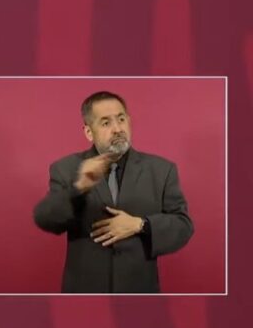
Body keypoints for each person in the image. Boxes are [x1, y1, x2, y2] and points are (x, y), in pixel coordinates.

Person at [33, 91, 194, 293]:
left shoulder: (162, 170)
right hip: (85, 294)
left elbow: (183, 226)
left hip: (140, 294)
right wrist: (79, 188)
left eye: (121, 119)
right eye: (106, 123)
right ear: (89, 132)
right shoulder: (66, 168)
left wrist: (140, 225)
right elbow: (46, 219)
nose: (117, 129)